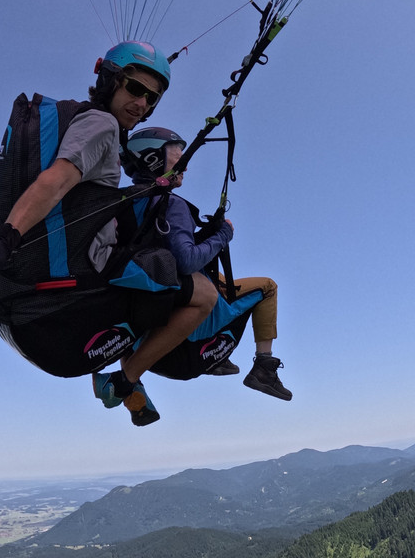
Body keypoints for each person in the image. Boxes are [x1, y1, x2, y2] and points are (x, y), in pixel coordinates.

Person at [0, 41, 218, 426]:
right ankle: (125, 381)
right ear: (109, 80)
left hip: (22, 305)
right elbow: (56, 180)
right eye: (135, 89)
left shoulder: (87, 122)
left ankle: (133, 383)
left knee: (148, 271)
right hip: (75, 295)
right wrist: (7, 235)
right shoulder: (102, 124)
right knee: (204, 295)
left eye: (152, 99)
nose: (143, 105)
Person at [123, 127, 292, 401]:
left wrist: (205, 236)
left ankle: (217, 358)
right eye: (178, 155)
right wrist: (223, 235)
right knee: (267, 287)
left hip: (145, 335)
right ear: (152, 159)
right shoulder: (170, 205)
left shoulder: (127, 203)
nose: (185, 165)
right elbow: (187, 261)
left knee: (219, 278)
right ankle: (263, 366)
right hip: (185, 330)